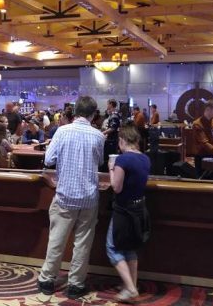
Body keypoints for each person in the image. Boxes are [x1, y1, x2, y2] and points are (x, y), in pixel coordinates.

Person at [38, 96, 105, 299]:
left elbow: (48, 160)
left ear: (75, 112)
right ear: (93, 114)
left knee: (57, 240)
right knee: (82, 243)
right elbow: (100, 161)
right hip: (89, 196)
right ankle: (76, 284)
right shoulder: (98, 136)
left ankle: (47, 280)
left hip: (65, 195)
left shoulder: (62, 131)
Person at [107, 125, 150, 302]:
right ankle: (131, 285)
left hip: (124, 210)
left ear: (122, 140)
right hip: (139, 208)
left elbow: (116, 187)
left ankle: (131, 289)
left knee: (112, 248)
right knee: (130, 249)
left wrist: (111, 168)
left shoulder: (123, 159)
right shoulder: (145, 158)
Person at [102, 99, 121, 171]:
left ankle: (110, 172)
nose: (107, 106)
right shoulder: (112, 115)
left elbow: (112, 128)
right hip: (110, 139)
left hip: (112, 140)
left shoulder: (114, 115)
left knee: (110, 157)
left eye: (108, 104)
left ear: (111, 104)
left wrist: (102, 133)